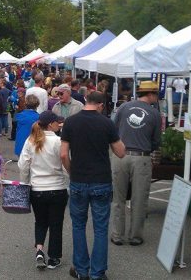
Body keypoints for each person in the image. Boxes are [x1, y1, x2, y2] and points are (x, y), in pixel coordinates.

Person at [60, 92, 126, 280]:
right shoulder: (107, 123)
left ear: (86, 102)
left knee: (78, 226)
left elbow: (63, 154)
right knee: (100, 228)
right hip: (101, 181)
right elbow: (121, 152)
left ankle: (81, 270)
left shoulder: (71, 122)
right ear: (101, 105)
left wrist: (72, 172)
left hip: (79, 180)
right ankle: (97, 273)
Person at [110, 81, 162, 247]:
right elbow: (156, 141)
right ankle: (135, 236)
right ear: (151, 94)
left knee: (118, 198)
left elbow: (113, 130)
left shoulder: (124, 108)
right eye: (156, 95)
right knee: (139, 198)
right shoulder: (154, 114)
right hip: (142, 157)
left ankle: (117, 235)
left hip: (120, 155)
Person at [18, 110, 68, 270]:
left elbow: (23, 165)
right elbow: (65, 164)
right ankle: (54, 258)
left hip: (37, 189)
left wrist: (25, 183)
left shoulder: (31, 140)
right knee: (56, 224)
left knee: (40, 221)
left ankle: (39, 249)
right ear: (51, 124)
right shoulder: (59, 141)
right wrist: (70, 180)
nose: (59, 124)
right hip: (57, 188)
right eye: (57, 122)